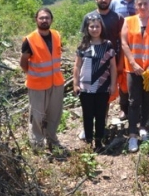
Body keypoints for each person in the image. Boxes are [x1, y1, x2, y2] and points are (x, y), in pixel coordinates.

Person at [120, 0, 149, 153]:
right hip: (133, 68)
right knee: (133, 100)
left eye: (145, 3)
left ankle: (143, 126)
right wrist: (132, 61)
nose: (143, 7)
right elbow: (124, 43)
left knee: (147, 98)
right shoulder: (128, 21)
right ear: (136, 6)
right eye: (140, 4)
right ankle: (132, 133)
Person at [20, 8, 64, 151]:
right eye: (41, 18)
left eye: (47, 18)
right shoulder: (30, 40)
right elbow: (23, 62)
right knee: (37, 116)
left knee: (54, 114)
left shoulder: (57, 35)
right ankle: (37, 143)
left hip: (56, 82)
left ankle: (52, 140)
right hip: (37, 84)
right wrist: (32, 73)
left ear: (51, 19)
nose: (44, 20)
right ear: (36, 20)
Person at [73, 13, 118, 151]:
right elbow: (77, 66)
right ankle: (88, 140)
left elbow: (113, 66)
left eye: (97, 26)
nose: (94, 29)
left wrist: (113, 84)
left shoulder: (107, 45)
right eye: (91, 26)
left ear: (101, 28)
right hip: (85, 87)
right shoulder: (83, 45)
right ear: (87, 28)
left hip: (102, 87)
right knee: (87, 114)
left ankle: (99, 140)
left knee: (100, 114)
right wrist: (75, 84)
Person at [110, 0, 136, 119]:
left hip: (139, 45)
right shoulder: (115, 2)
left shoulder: (141, 0)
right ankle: (124, 108)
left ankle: (140, 107)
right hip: (121, 45)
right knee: (122, 76)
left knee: (139, 75)